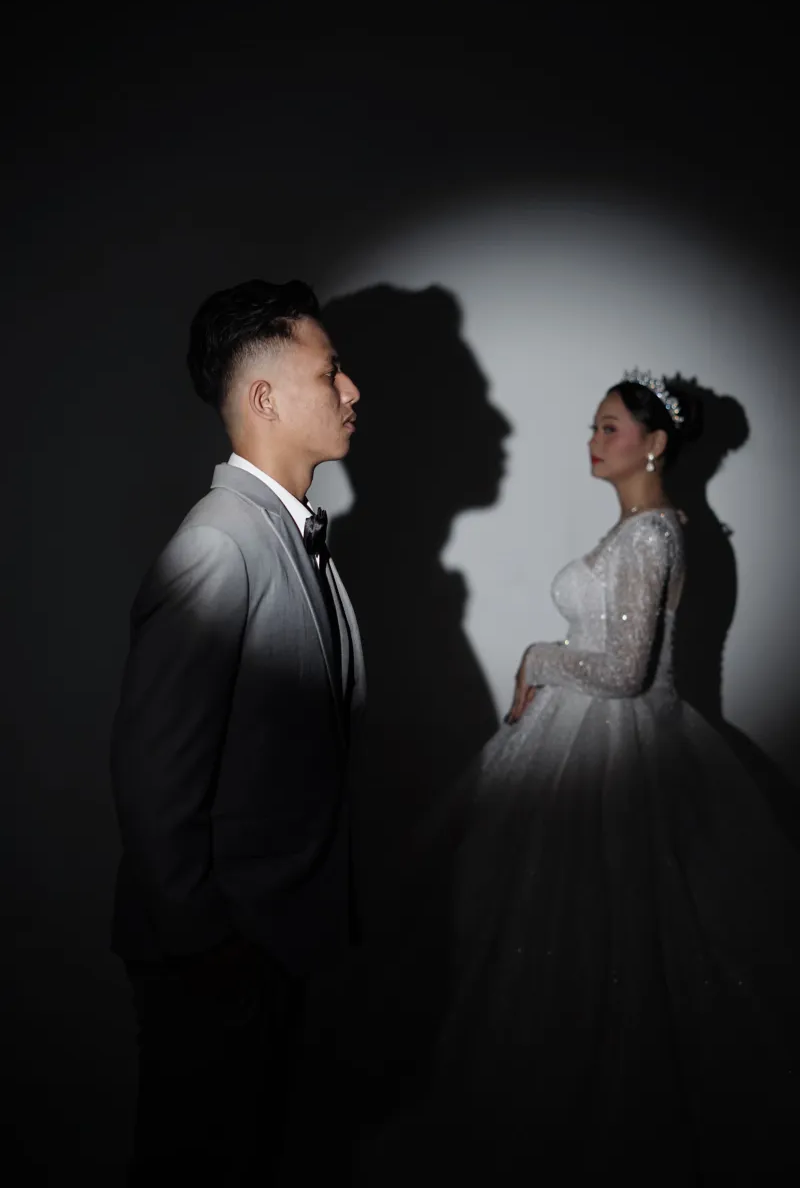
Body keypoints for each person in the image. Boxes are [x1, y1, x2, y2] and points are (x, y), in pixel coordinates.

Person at [360, 371, 800, 1185]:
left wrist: (539, 656)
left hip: (621, 747)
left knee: (610, 932)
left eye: (609, 427)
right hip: (588, 735)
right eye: (593, 427)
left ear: (654, 443)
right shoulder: (639, 530)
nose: (593, 442)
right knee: (544, 928)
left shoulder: (652, 535)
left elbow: (627, 673)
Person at [110, 279, 365, 1184]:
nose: (352, 390)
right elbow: (153, 776)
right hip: (219, 962)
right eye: (330, 372)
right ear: (264, 397)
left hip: (277, 946)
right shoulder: (220, 545)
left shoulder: (287, 537)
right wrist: (210, 948)